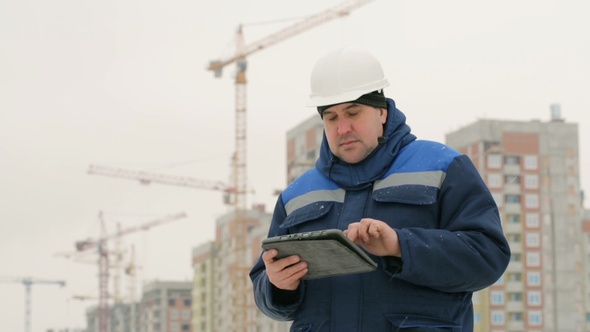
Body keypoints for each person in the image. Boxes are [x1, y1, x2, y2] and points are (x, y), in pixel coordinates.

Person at [249, 45, 511, 331]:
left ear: (382, 112)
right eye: (331, 117)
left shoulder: (443, 167)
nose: (342, 128)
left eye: (353, 112)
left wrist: (400, 246)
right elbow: (265, 286)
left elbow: (488, 256)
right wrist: (277, 285)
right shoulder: (296, 196)